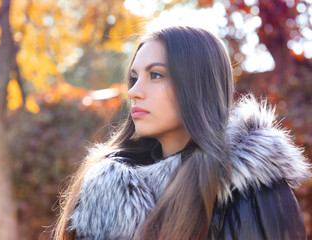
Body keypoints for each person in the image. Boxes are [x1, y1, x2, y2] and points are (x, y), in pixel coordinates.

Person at [52, 26, 311, 240]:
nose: (134, 92)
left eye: (155, 75)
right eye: (134, 78)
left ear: (198, 85)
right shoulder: (103, 193)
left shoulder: (249, 190)